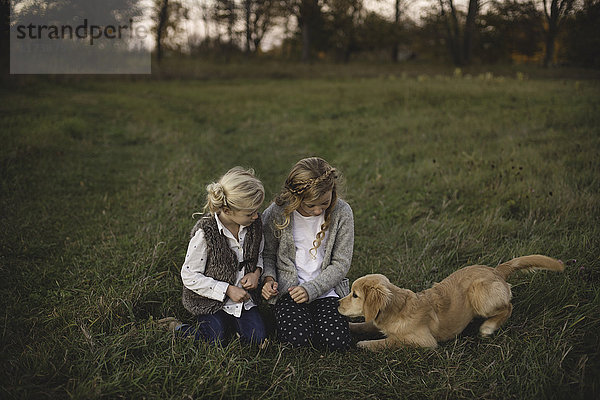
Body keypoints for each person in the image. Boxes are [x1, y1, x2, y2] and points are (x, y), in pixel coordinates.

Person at [261, 157, 353, 351]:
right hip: (290, 291)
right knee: (298, 341)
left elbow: (341, 263)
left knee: (337, 343)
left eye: (324, 203)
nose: (318, 210)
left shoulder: (342, 213)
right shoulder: (277, 213)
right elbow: (267, 254)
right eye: (310, 205)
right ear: (296, 198)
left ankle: (318, 320)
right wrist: (268, 278)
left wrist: (312, 289)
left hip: (326, 290)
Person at [174, 166, 267, 346]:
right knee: (214, 340)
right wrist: (227, 289)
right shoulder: (206, 233)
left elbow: (260, 254)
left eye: (257, 210)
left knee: (257, 340)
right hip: (211, 301)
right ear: (227, 210)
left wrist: (256, 273)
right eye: (250, 213)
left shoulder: (255, 225)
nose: (256, 216)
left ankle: (235, 326)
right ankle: (178, 328)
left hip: (244, 299)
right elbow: (189, 275)